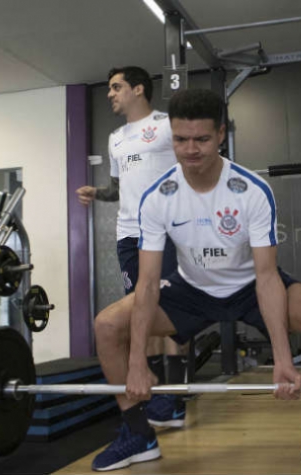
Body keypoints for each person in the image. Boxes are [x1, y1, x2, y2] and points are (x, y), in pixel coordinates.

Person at [90, 89, 301, 474]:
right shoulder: (158, 196)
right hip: (189, 290)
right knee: (107, 325)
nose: (190, 149)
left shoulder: (251, 190)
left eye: (201, 139)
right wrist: (137, 362)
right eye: (180, 139)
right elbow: (147, 284)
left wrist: (283, 359)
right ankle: (138, 434)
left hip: (250, 286)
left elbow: (267, 276)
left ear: (220, 135)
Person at [76, 66, 188, 428]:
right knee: (142, 316)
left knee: (168, 315)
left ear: (138, 89)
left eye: (116, 87)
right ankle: (156, 403)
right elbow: (118, 187)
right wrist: (97, 193)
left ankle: (177, 397)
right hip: (128, 236)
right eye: (109, 88)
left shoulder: (169, 125)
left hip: (166, 233)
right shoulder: (115, 139)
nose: (110, 94)